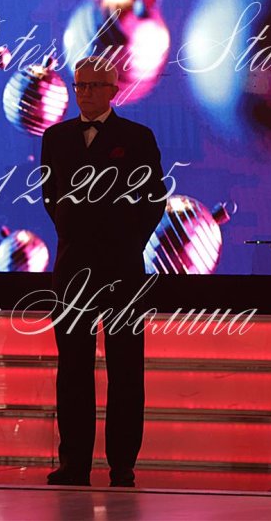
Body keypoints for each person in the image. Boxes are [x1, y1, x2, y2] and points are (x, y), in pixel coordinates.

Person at [39, 56, 167, 487]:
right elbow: (50, 195)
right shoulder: (56, 137)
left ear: (114, 91)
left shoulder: (137, 136)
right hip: (72, 265)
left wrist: (128, 242)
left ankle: (122, 463)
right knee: (72, 366)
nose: (86, 93)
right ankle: (73, 462)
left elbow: (154, 199)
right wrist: (72, 232)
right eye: (80, 86)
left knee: (125, 366)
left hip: (122, 266)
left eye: (95, 86)